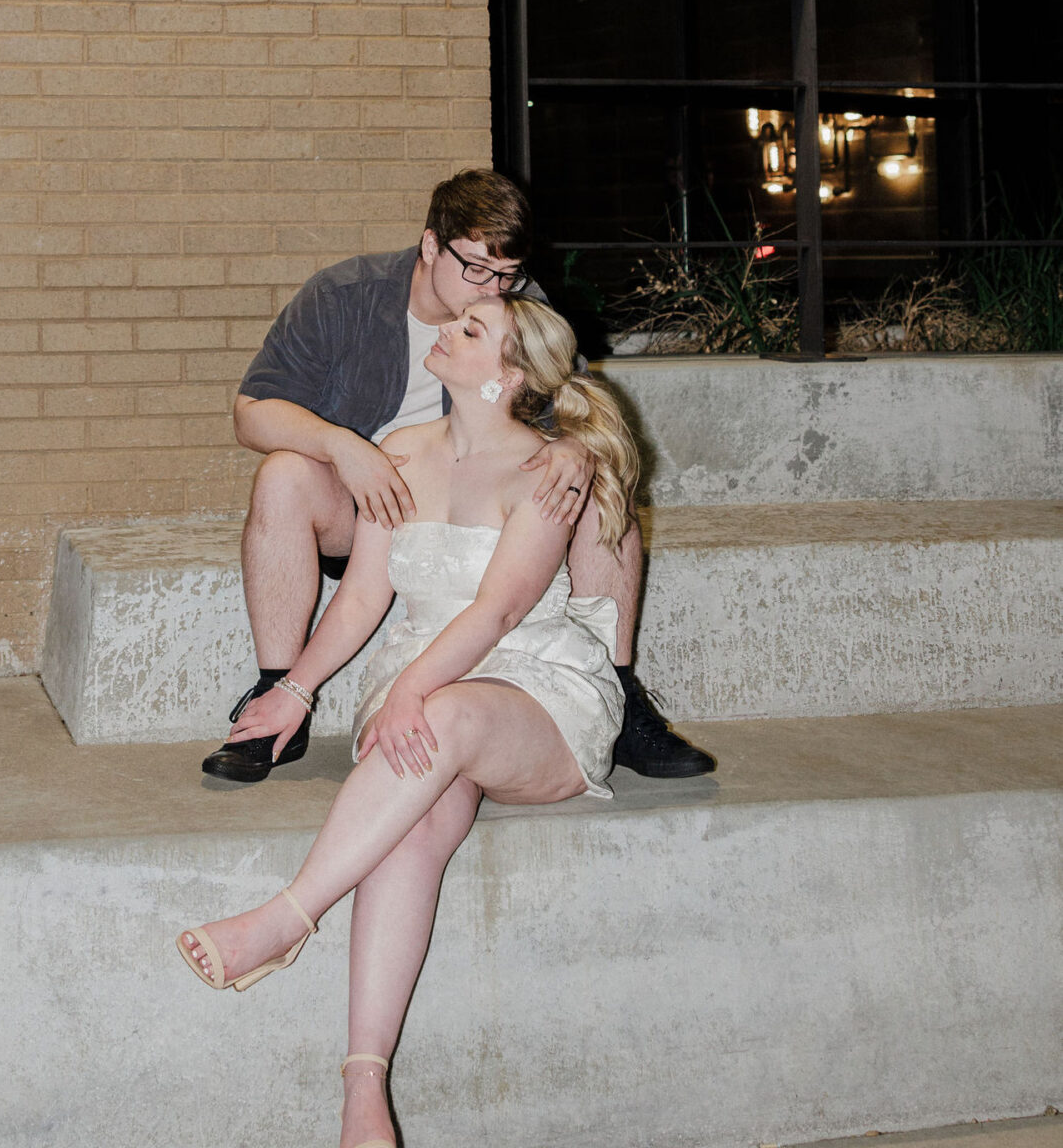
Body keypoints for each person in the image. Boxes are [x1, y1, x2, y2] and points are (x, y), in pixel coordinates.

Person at [177, 294, 639, 1148]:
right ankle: (363, 1083)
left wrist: (414, 691)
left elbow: (500, 607)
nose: (445, 333)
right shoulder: (400, 455)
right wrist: (296, 691)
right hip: (420, 685)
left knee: (441, 719)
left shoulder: (551, 468)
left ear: (505, 375)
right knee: (409, 832)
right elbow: (360, 597)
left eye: (470, 332)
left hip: (533, 690)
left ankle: (286, 917)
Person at [203, 167, 711, 784]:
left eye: (507, 275)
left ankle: (621, 692)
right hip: (368, 508)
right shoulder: (344, 296)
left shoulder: (517, 308)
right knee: (283, 473)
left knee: (601, 498)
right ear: (429, 245)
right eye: (475, 268)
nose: (488, 289)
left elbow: (576, 398)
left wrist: (577, 449)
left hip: (479, 516)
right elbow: (252, 414)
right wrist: (341, 447)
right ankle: (278, 695)